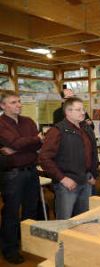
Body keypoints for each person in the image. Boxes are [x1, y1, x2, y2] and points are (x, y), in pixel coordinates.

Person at [0, 91, 44, 264]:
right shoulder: (1, 123)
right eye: (13, 102)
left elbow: (39, 143)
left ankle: (29, 242)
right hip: (13, 175)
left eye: (19, 101)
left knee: (31, 210)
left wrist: (19, 146)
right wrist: (34, 140)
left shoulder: (28, 121)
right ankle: (10, 249)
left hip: (32, 172)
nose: (18, 104)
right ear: (3, 106)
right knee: (11, 212)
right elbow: (25, 142)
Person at [39, 97, 98, 219]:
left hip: (86, 180)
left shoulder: (86, 128)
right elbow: (44, 158)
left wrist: (92, 174)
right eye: (78, 109)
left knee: (83, 218)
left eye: (83, 109)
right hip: (67, 183)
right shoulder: (57, 131)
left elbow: (92, 153)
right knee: (64, 221)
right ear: (68, 112)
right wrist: (62, 179)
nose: (83, 112)